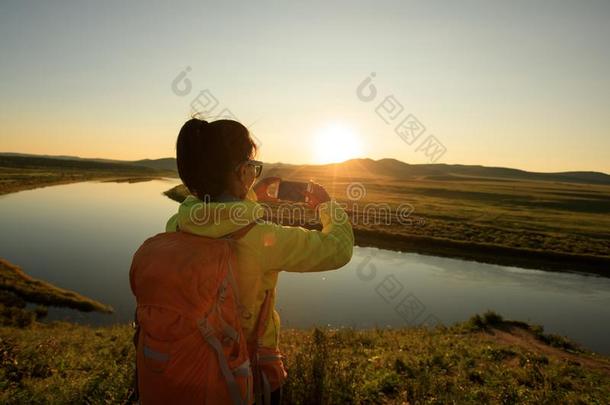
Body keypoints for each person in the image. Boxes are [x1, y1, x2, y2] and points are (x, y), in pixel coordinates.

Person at [165, 118, 354, 404]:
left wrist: (250, 193)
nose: (254, 174)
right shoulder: (261, 240)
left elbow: (218, 210)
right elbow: (338, 249)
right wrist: (327, 205)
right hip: (249, 373)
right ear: (242, 171)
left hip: (190, 364)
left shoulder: (176, 225)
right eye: (252, 168)